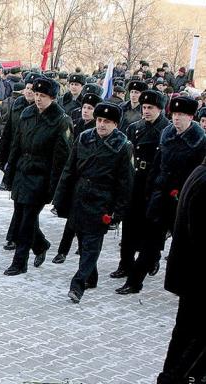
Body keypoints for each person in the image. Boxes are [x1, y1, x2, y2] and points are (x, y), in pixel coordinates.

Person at [117, 96, 206, 295]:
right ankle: (134, 282)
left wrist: (183, 191)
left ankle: (184, 284)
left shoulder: (200, 141)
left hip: (184, 198)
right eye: (174, 114)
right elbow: (157, 164)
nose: (176, 119)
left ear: (191, 117)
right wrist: (151, 190)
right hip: (161, 195)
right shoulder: (166, 134)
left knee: (185, 245)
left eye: (181, 115)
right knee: (150, 241)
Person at [53, 102, 133, 302]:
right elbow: (69, 170)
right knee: (82, 239)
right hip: (79, 197)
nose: (101, 125)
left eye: (107, 121)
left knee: (91, 245)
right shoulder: (84, 137)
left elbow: (126, 183)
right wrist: (60, 199)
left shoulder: (123, 145)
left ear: (115, 124)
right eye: (99, 120)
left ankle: (77, 285)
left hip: (102, 201)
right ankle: (92, 277)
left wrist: (118, 212)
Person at [151, 156, 206, 384]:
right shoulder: (204, 180)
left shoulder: (201, 172)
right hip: (199, 276)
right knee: (195, 336)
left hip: (193, 275)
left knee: (186, 333)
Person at [4, 77, 73, 275]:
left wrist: (55, 188)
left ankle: (20, 262)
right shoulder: (27, 113)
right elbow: (16, 145)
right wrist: (9, 174)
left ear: (52, 98)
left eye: (43, 96)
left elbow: (62, 158)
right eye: (36, 95)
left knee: (26, 221)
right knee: (21, 217)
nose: (38, 99)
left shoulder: (61, 121)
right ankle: (41, 245)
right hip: (22, 172)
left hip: (41, 178)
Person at [110, 90, 169, 280]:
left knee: (150, 226)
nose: (146, 111)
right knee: (129, 225)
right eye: (144, 107)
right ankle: (124, 264)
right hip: (134, 181)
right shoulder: (135, 127)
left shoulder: (166, 130)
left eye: (150, 108)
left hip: (153, 184)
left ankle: (152, 257)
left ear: (160, 109)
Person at [52, 92, 103, 264]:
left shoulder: (98, 131)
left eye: (90, 108)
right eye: (84, 108)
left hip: (90, 180)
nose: (85, 111)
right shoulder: (77, 124)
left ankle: (74, 250)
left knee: (80, 220)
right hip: (74, 175)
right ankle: (63, 251)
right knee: (72, 217)